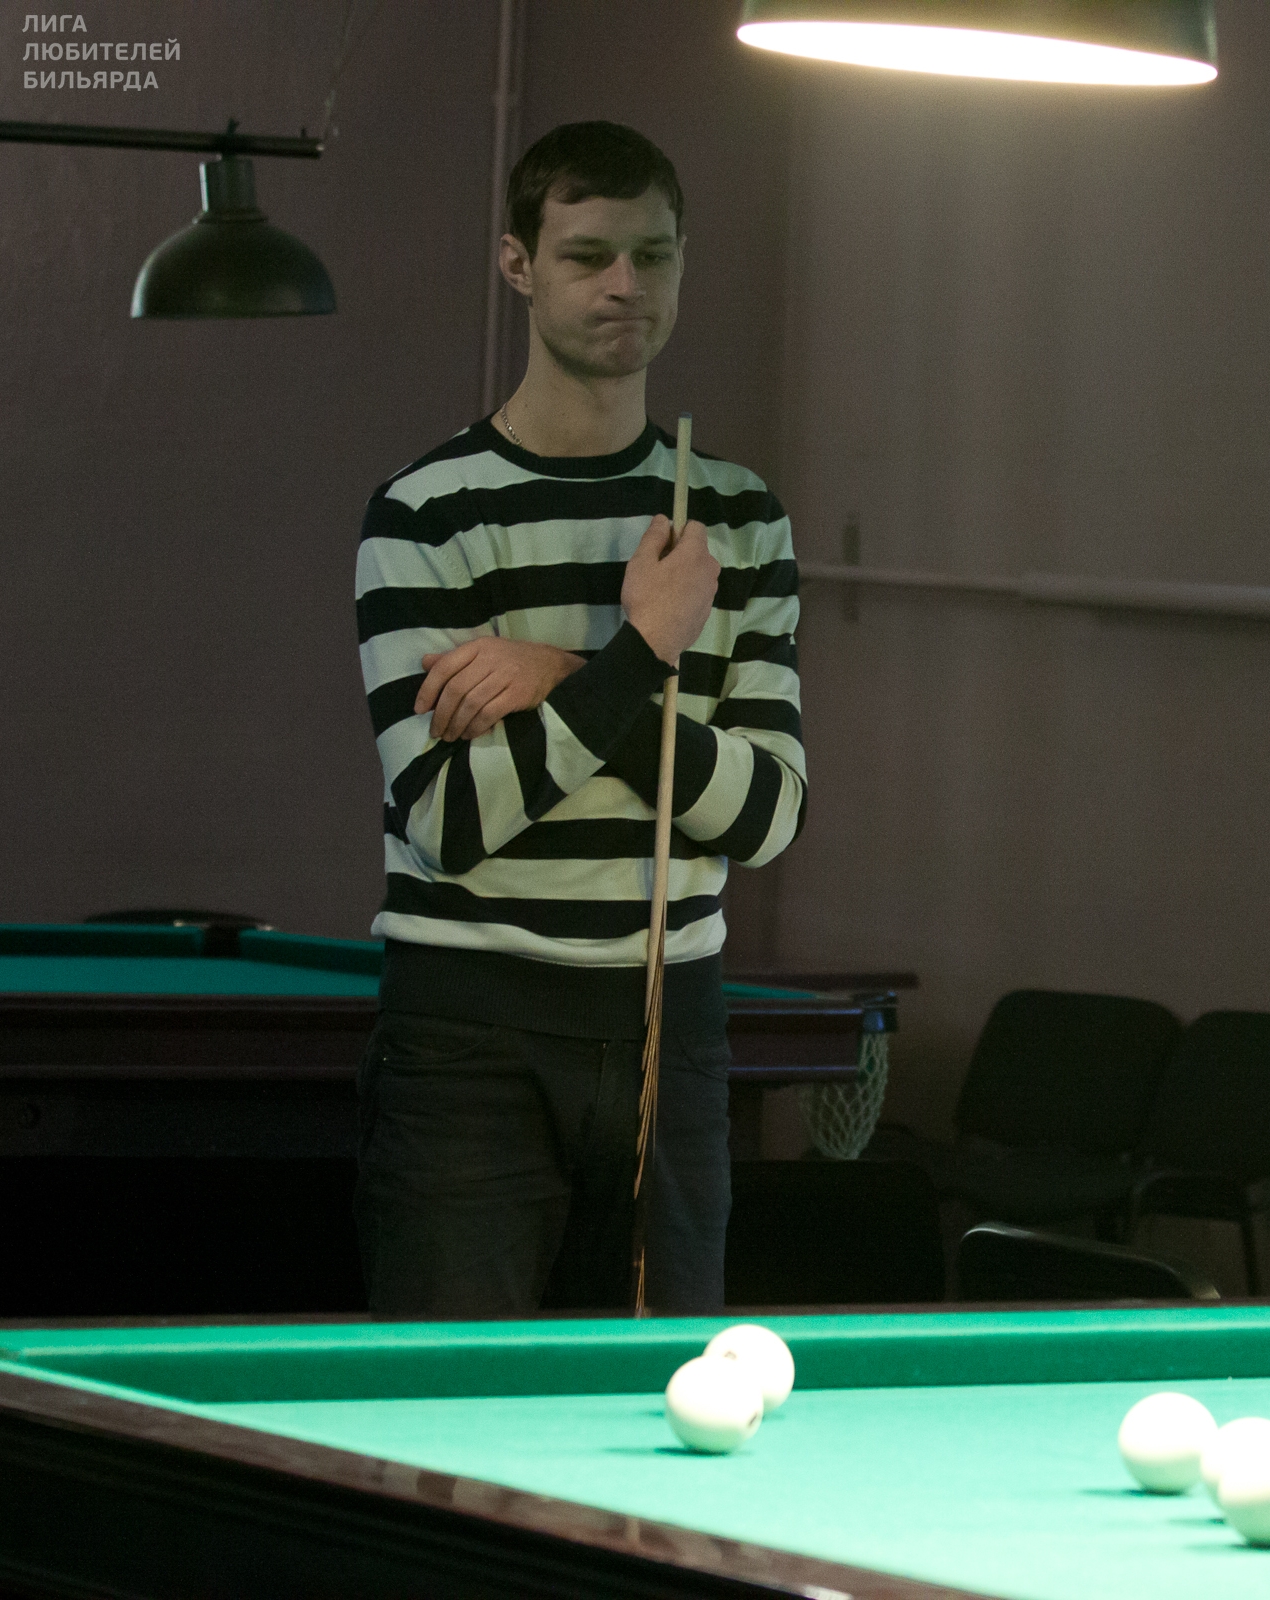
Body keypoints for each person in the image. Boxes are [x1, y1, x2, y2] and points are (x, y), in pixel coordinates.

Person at [351, 122, 806, 1316]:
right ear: (519, 264)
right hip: (469, 1031)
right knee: (451, 1401)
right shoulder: (427, 513)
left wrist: (560, 669)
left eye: (652, 255)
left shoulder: (738, 517)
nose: (624, 285)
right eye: (588, 254)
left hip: (671, 1021)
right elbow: (454, 823)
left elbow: (764, 815)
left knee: (653, 1396)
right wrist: (646, 654)